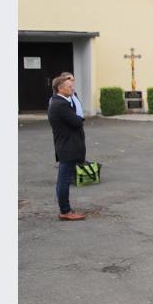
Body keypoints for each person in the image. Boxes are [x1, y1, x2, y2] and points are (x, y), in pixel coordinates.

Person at [47, 75, 86, 221]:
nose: (72, 88)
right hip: (67, 147)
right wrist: (80, 119)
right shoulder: (60, 105)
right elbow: (77, 121)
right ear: (60, 88)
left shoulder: (57, 101)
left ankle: (65, 209)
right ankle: (65, 211)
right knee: (64, 180)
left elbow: (76, 118)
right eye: (69, 86)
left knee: (63, 179)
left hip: (65, 146)